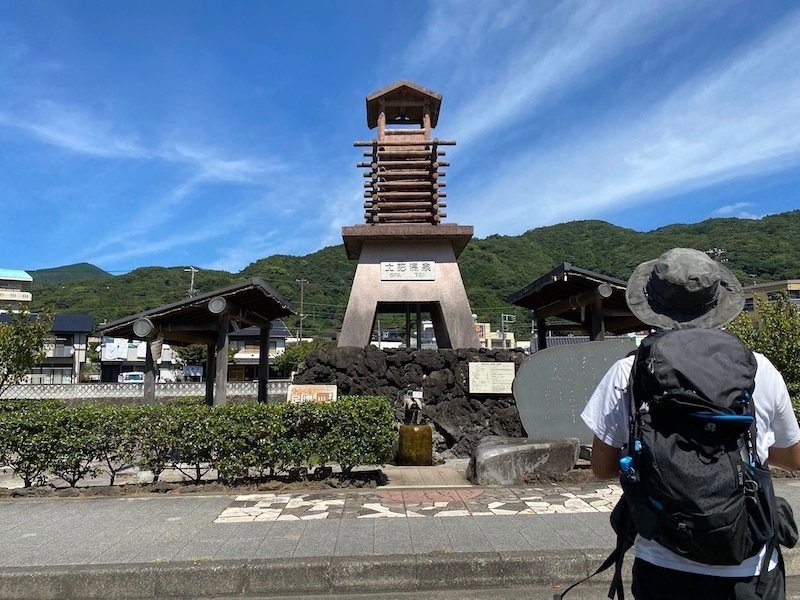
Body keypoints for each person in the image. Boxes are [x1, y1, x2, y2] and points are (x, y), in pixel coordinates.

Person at [581, 247, 800, 599]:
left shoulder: (629, 370)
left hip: (664, 563)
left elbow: (603, 468)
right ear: (717, 304)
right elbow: (794, 458)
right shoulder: (759, 368)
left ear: (654, 306)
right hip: (750, 567)